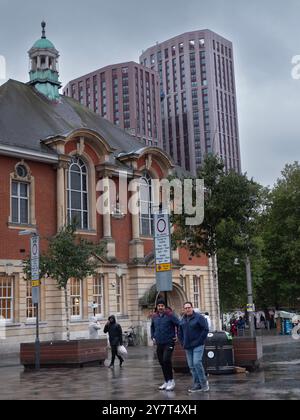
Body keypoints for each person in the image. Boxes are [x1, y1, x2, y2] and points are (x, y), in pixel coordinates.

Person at [179, 302, 209, 393]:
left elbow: (205, 329)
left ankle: (204, 384)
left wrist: (200, 340)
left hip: (198, 345)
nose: (187, 309)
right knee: (191, 366)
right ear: (184, 309)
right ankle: (197, 385)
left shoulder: (199, 318)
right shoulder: (183, 319)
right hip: (188, 346)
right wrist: (182, 342)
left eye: (189, 307)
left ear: (192, 308)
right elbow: (180, 332)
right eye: (185, 308)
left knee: (197, 363)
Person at [151, 298, 179, 391]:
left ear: (165, 307)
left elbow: (179, 324)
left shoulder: (170, 315)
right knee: (162, 362)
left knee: (166, 360)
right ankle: (166, 381)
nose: (160, 307)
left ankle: (171, 381)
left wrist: (177, 335)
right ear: (157, 307)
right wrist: (153, 336)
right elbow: (152, 327)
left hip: (169, 341)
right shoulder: (155, 316)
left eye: (162, 306)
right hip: (159, 343)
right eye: (159, 306)